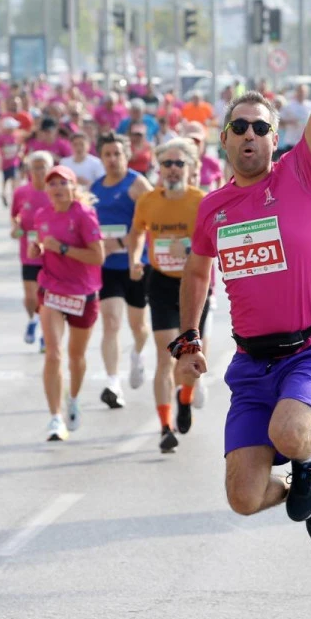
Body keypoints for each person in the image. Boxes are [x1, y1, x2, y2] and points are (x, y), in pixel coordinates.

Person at [174, 0, 311, 548]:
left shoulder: (300, 173)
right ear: (223, 139)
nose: (250, 134)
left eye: (260, 128)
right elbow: (197, 273)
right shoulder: (212, 209)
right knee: (243, 498)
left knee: (289, 433)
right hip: (251, 364)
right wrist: (189, 338)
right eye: (239, 126)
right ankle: (310, 479)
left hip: (309, 349)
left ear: (275, 139)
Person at [126, 140, 207, 452]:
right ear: (159, 169)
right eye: (167, 164)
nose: (173, 169)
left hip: (196, 282)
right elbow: (136, 233)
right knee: (165, 355)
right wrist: (135, 258)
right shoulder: (147, 201)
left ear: (189, 168)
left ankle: (184, 398)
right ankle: (164, 427)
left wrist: (187, 248)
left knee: (193, 355)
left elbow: (215, 240)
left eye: (179, 164)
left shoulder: (201, 201)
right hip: (160, 281)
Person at [27, 167, 105, 440]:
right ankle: (54, 418)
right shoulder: (41, 215)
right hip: (52, 289)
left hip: (82, 293)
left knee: (76, 356)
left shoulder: (84, 215)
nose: (58, 187)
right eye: (53, 183)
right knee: (53, 353)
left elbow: (98, 257)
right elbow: (41, 245)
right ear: (45, 190)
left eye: (64, 183)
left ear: (74, 187)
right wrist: (37, 249)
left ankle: (73, 398)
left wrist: (61, 248)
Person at [90, 135, 151, 408]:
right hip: (107, 267)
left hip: (135, 264)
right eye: (107, 154)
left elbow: (153, 221)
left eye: (117, 153)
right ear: (101, 158)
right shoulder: (95, 188)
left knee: (139, 327)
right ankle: (113, 382)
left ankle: (138, 354)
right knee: (111, 322)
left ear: (126, 155)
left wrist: (121, 242)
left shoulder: (137, 184)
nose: (112, 159)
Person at [12, 152, 55, 350]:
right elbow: (15, 216)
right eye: (35, 167)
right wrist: (16, 226)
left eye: (43, 166)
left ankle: (46, 333)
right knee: (31, 296)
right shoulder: (22, 192)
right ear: (29, 170)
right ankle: (33, 320)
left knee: (47, 295)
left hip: (51, 253)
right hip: (28, 252)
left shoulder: (55, 191)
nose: (39, 171)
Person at [277, 84, 311, 159]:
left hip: (306, 144)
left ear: (307, 93)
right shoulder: (289, 106)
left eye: (304, 92)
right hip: (291, 142)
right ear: (296, 92)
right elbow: (278, 120)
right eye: (300, 91)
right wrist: (290, 122)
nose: (302, 93)